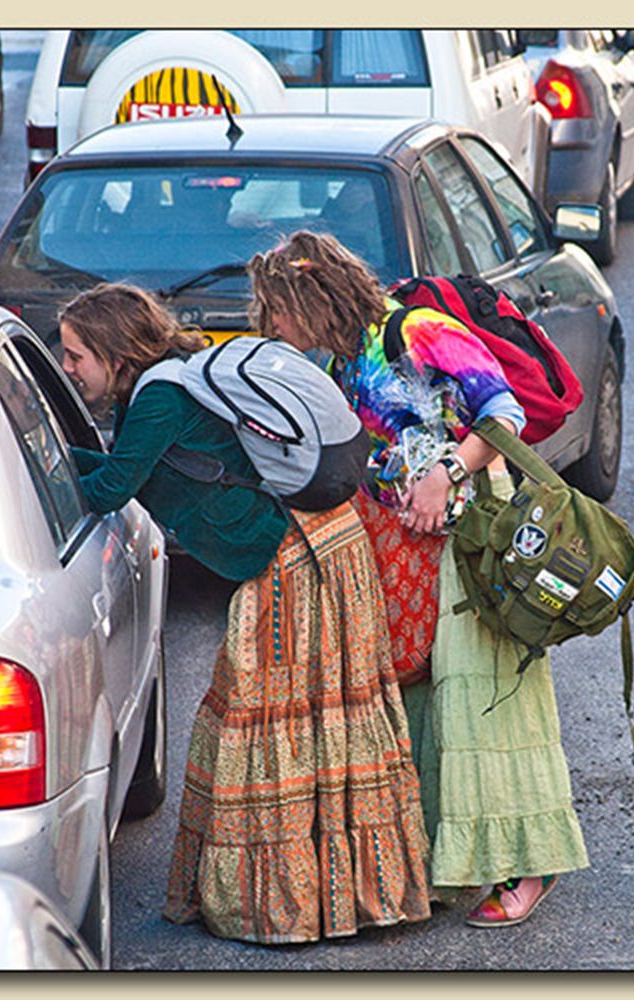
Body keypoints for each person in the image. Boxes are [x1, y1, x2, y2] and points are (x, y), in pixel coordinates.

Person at [57, 281, 431, 945]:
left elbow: (111, 487)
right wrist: (54, 458)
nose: (68, 368)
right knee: (316, 722)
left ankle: (297, 905)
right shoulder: (168, 384)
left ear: (114, 355)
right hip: (315, 540)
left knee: (268, 720)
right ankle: (342, 894)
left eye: (75, 355)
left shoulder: (159, 399)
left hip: (292, 557)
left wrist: (40, 477)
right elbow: (123, 467)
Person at [247, 231, 589, 928]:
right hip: (404, 540)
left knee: (486, 693)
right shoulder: (344, 358)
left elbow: (504, 412)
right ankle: (445, 856)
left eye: (275, 310)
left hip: (473, 528)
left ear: (310, 299)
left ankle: (530, 863)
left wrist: (446, 473)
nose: (269, 324)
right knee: (423, 697)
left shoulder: (416, 329)